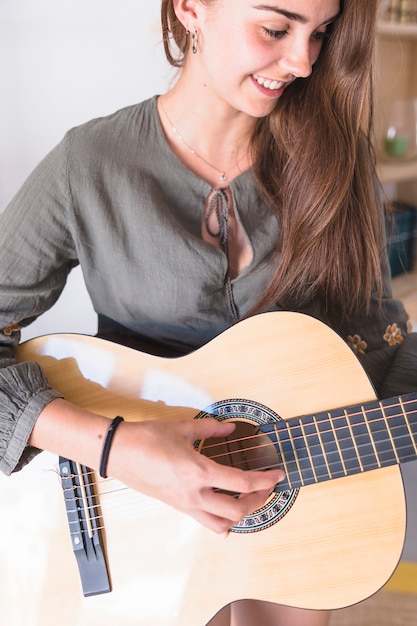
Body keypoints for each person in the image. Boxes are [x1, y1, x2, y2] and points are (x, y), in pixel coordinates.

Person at [0, 0, 416, 624]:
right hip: (129, 526)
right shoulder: (86, 165)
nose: (303, 62)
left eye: (320, 32)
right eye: (276, 28)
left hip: (297, 500)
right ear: (190, 7)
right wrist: (120, 450)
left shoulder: (342, 159)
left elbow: (377, 343)